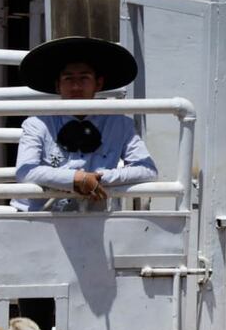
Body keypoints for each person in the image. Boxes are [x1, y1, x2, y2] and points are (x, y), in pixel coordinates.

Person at [11, 36, 156, 212]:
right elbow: (25, 171)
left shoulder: (120, 123)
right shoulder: (37, 123)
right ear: (58, 85)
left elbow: (147, 170)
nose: (76, 86)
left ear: (98, 83)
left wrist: (100, 178)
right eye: (68, 78)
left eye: (84, 78)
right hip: (38, 217)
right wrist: (76, 179)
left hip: (92, 217)